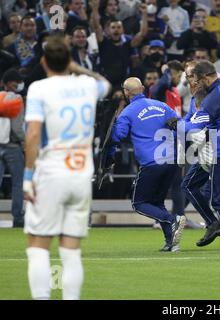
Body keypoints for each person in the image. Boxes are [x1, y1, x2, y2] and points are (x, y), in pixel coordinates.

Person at [23, 36, 111, 300]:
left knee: (38, 246)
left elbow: (33, 136)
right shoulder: (86, 85)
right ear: (69, 61)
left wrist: (28, 178)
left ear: (43, 61)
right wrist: (79, 68)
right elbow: (105, 84)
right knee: (70, 250)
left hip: (52, 172)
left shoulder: (39, 89)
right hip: (81, 174)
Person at [111, 77, 186, 252]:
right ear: (143, 88)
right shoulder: (162, 106)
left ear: (126, 92)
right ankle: (171, 242)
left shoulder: (128, 112)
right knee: (157, 202)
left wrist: (112, 125)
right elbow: (180, 125)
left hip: (151, 163)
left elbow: (118, 136)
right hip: (172, 161)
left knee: (139, 203)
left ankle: (171, 219)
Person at [180, 60, 220, 249]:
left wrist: (173, 124)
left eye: (195, 77)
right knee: (193, 187)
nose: (193, 82)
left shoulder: (211, 98)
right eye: (190, 77)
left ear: (205, 77)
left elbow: (194, 125)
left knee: (219, 198)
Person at [0, 69, 25, 227]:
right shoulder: (16, 98)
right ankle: (17, 218)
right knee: (18, 183)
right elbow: (17, 127)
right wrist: (25, 142)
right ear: (13, 83)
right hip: (12, 146)